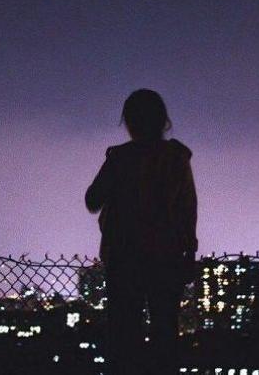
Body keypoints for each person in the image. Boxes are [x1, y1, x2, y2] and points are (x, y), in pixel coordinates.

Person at [85, 89, 198, 375]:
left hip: (124, 256)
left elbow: (92, 200)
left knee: (124, 336)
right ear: (162, 121)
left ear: (130, 122)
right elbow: (188, 210)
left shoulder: (120, 158)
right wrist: (189, 252)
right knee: (165, 333)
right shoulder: (177, 158)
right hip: (167, 256)